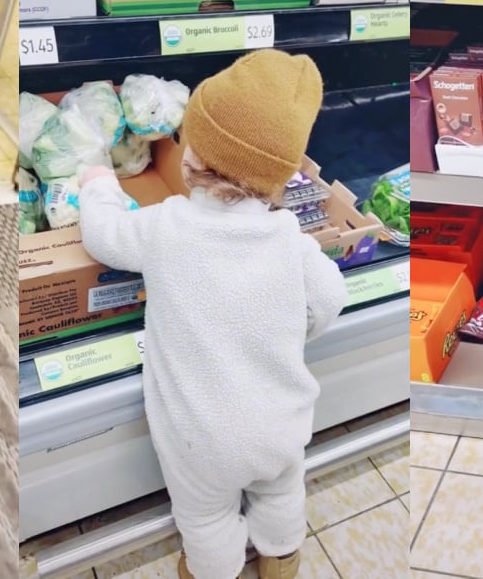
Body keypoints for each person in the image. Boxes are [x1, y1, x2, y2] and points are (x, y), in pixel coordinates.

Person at [77, 49, 348, 579]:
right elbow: (328, 299)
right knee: (281, 490)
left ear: (191, 156)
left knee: (204, 518)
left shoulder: (164, 228)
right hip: (280, 424)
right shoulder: (289, 239)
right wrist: (289, 330)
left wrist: (99, 189)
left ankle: (210, 570)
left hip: (199, 438)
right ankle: (282, 557)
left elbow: (103, 237)